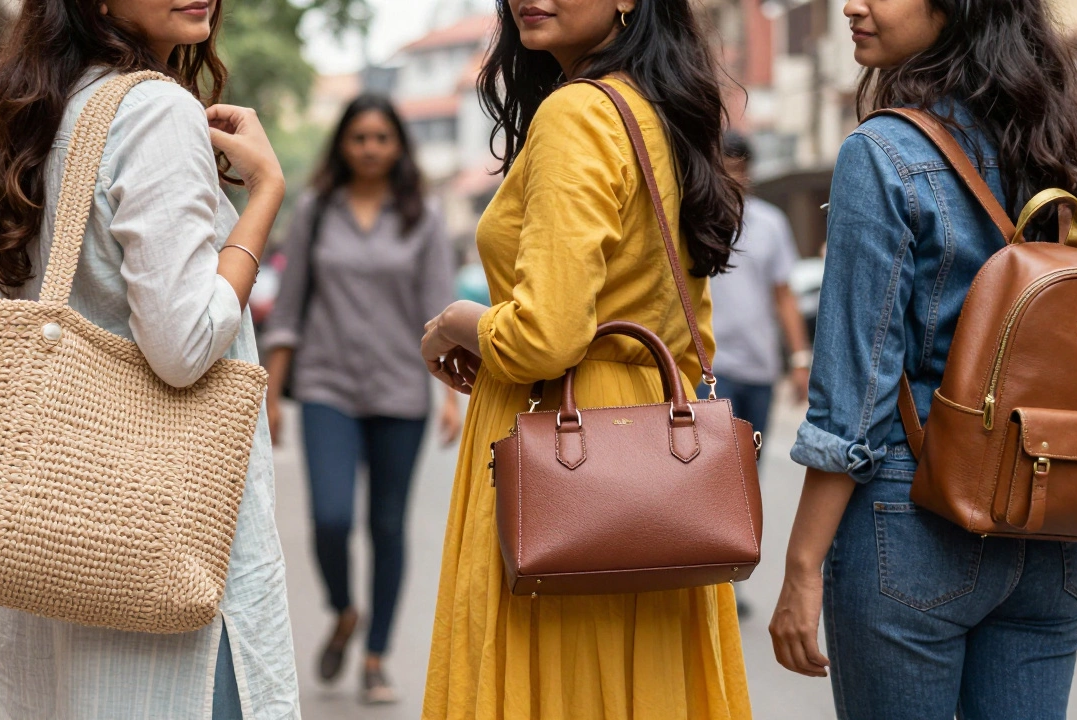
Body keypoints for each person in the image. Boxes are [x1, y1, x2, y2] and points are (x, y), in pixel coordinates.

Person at [768, 0, 1077, 718]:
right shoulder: (1063, 146)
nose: (853, 5)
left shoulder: (882, 154)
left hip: (914, 518)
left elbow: (854, 399)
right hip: (1047, 526)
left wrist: (802, 566)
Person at [0, 0, 298, 717]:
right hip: (163, 555)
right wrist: (265, 194)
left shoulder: (45, 115)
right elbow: (184, 347)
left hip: (54, 539)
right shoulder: (154, 113)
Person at [417, 0, 752, 717]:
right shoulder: (656, 111)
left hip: (563, 443)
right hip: (656, 451)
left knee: (555, 682)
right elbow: (692, 331)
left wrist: (456, 323)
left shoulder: (576, 114)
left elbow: (545, 336)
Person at [261, 94, 459, 704]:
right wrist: (271, 389)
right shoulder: (317, 211)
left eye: (381, 138)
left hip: (402, 391)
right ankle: (345, 609)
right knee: (330, 517)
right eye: (359, 138)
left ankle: (375, 657)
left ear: (398, 145)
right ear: (342, 144)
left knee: (388, 526)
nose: (370, 148)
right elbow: (288, 308)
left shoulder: (421, 214)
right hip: (326, 387)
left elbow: (442, 311)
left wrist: (452, 395)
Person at [703, 132, 812, 619]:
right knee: (715, 477)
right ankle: (712, 580)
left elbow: (784, 296)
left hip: (759, 372)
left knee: (749, 478)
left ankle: (731, 579)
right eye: (725, 165)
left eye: (740, 167)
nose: (733, 176)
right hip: (712, 370)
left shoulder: (770, 224)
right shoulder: (697, 219)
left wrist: (799, 359)